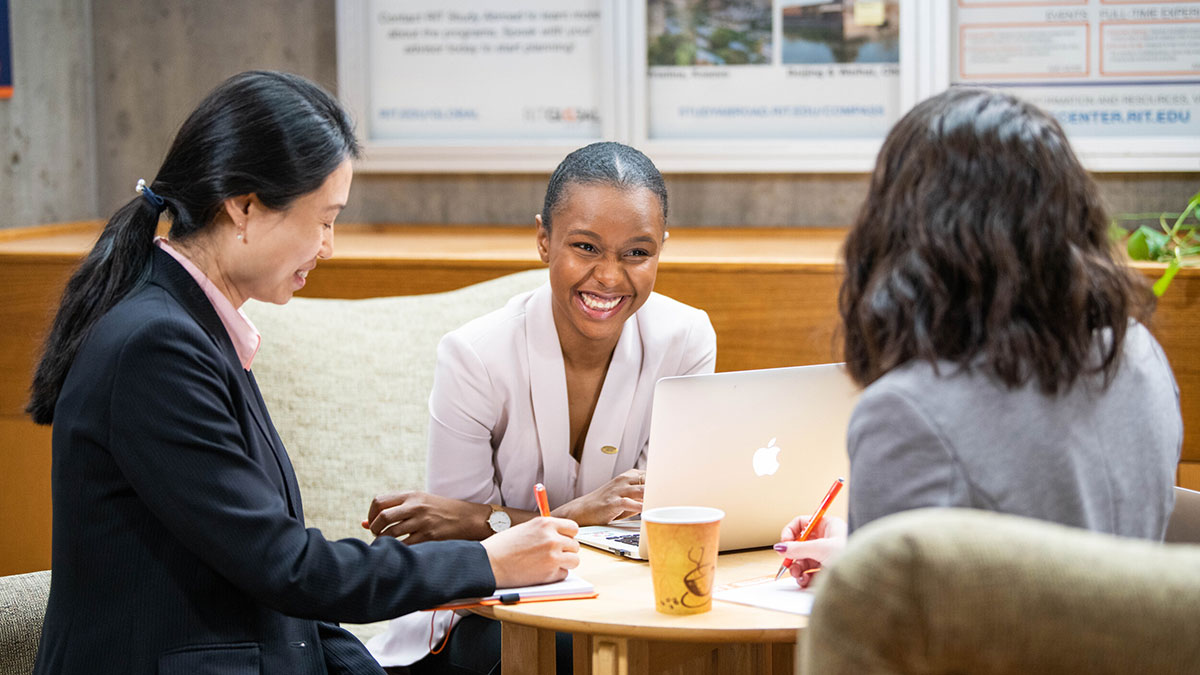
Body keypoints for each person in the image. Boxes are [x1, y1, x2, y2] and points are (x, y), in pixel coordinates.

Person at [26, 70, 579, 675]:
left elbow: (276, 588)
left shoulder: (191, 329)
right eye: (324, 219)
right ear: (244, 209)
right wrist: (490, 562)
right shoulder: (157, 346)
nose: (330, 246)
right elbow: (287, 566)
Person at [776, 87, 1183, 587]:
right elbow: (1063, 554)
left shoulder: (907, 411)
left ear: (904, 231)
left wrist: (865, 566)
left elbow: (892, 635)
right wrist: (862, 550)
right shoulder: (1138, 355)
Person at [362, 142, 717, 672]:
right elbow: (459, 547)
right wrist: (581, 513)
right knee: (583, 653)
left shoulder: (686, 339)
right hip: (482, 613)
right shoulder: (474, 356)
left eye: (637, 253)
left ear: (662, 249)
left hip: (623, 600)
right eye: (586, 247)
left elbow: (657, 517)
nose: (610, 277)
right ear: (543, 240)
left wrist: (486, 519)